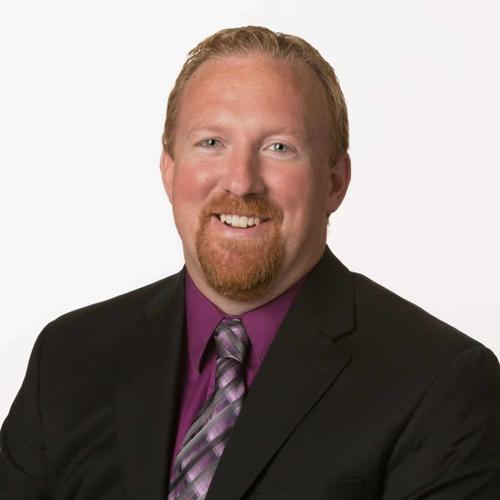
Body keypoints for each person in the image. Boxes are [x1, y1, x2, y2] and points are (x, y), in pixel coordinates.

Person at [1, 25, 499, 500]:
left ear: (334, 182)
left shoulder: (441, 384)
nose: (241, 182)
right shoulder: (69, 357)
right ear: (169, 171)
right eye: (211, 143)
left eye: (279, 147)